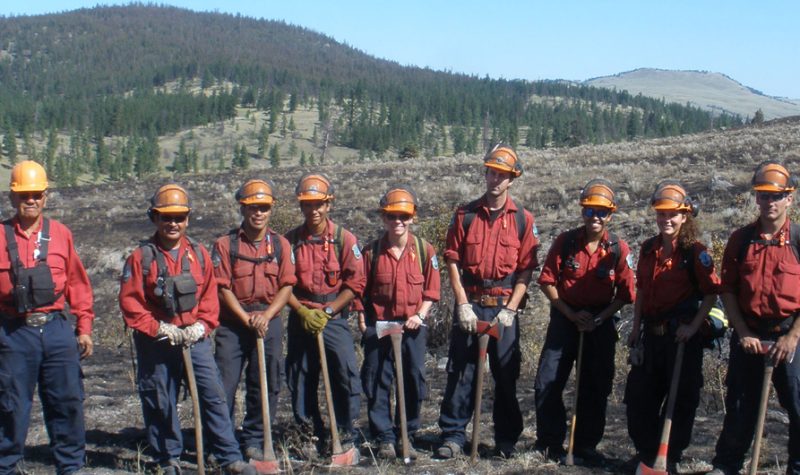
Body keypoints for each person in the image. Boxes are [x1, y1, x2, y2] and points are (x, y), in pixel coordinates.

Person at [119, 184, 257, 475]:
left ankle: (228, 456)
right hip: (157, 341)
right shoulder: (141, 258)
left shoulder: (198, 254)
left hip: (195, 340)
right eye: (166, 217)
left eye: (179, 217)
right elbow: (131, 303)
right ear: (154, 218)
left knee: (214, 396)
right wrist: (158, 328)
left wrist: (202, 326)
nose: (173, 223)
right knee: (160, 399)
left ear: (188, 219)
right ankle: (167, 458)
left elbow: (209, 295)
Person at [436, 143, 540, 459]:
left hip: (503, 308)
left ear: (512, 179)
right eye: (491, 173)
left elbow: (526, 270)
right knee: (462, 371)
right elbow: (452, 261)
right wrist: (462, 303)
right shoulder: (465, 215)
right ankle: (454, 435)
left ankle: (506, 439)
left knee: (506, 374)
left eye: (502, 176)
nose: (495, 180)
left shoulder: (523, 219)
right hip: (472, 302)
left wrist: (511, 309)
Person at [0, 161, 94, 475]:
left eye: (36, 194)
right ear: (12, 197)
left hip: (56, 330)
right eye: (24, 194)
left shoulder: (61, 235)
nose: (31, 200)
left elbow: (78, 283)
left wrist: (84, 327)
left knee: (66, 400)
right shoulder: (0, 236)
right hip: (14, 331)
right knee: (11, 404)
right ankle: (6, 464)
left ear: (45, 197)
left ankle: (70, 466)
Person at [534, 179, 635, 464]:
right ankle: (550, 443)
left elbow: (627, 294)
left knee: (595, 386)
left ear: (610, 214)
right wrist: (570, 314)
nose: (595, 217)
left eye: (601, 212)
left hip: (600, 324)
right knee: (547, 382)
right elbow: (547, 282)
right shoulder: (565, 242)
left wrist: (599, 318)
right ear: (582, 212)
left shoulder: (618, 249)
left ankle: (585, 446)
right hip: (565, 320)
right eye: (590, 210)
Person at [709, 162, 800, 475]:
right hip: (749, 334)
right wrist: (743, 332)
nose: (769, 202)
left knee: (798, 405)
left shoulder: (799, 240)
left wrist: (792, 338)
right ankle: (727, 465)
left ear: (790, 197)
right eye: (763, 195)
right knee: (739, 405)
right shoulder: (741, 240)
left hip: (790, 335)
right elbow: (729, 292)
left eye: (776, 195)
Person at [624, 181, 719, 471]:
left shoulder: (695, 253)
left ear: (685, 216)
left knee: (681, 401)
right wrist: (635, 328)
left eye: (673, 214)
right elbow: (641, 291)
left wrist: (693, 328)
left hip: (681, 339)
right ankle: (646, 455)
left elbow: (712, 293)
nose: (666, 220)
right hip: (651, 336)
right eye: (661, 214)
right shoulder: (648, 249)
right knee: (640, 397)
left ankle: (670, 457)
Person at [211, 179, 296, 460]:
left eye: (263, 208)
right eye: (252, 207)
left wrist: (267, 316)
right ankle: (222, 443)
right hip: (233, 324)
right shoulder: (225, 245)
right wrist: (246, 318)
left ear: (270, 210)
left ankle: (255, 440)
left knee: (266, 383)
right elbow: (222, 288)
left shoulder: (281, 245)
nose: (258, 213)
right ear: (242, 208)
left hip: (268, 321)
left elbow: (287, 286)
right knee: (223, 385)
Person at [356, 186, 440, 460]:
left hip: (412, 327)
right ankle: (384, 438)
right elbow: (359, 291)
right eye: (392, 216)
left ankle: (407, 434)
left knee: (414, 379)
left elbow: (432, 290)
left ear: (413, 217)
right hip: (379, 327)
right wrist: (363, 322)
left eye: (404, 216)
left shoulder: (424, 250)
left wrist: (420, 315)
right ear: (384, 218)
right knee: (378, 380)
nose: (398, 222)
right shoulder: (370, 253)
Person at [284, 173, 365, 456]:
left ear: (329, 205)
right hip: (301, 315)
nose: (314, 210)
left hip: (333, 316)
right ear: (301, 206)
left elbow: (355, 284)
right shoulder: (290, 241)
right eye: (308, 204)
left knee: (344, 372)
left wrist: (329, 310)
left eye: (319, 204)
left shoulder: (344, 239)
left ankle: (344, 432)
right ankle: (308, 432)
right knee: (300, 374)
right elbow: (283, 285)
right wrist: (302, 311)